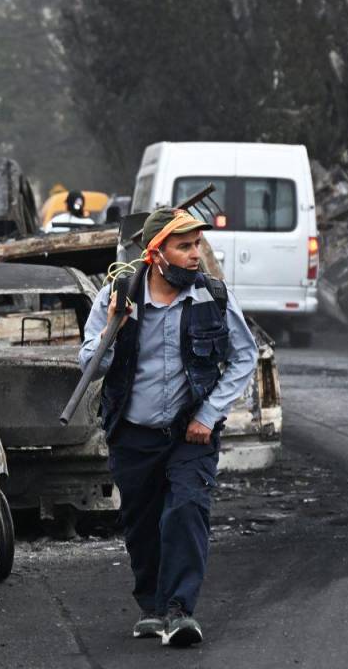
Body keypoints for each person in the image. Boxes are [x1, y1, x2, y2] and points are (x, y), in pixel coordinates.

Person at [78, 207, 259, 647]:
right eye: (184, 246)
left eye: (197, 244)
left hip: (188, 434)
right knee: (140, 525)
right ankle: (152, 608)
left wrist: (208, 414)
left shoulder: (211, 296)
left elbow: (244, 356)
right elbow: (89, 364)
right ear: (156, 254)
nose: (196, 255)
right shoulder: (117, 296)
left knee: (186, 510)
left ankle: (179, 610)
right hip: (133, 434)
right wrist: (114, 327)